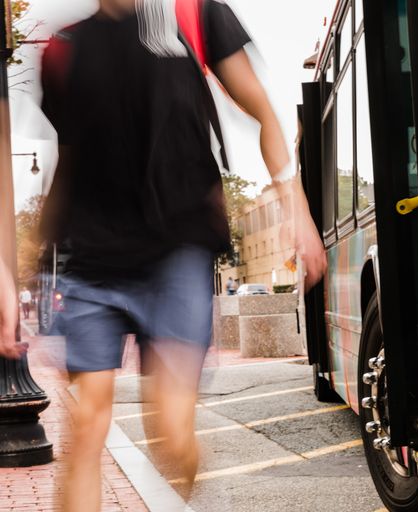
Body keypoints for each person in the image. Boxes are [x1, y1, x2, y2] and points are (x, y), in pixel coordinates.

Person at [0, 1, 326, 510]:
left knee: (174, 436)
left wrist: (296, 209)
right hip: (91, 257)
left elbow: (262, 109)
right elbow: (74, 156)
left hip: (177, 250)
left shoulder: (195, 15)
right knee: (87, 426)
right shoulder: (64, 48)